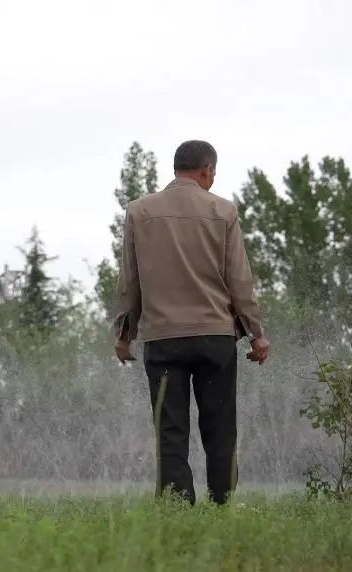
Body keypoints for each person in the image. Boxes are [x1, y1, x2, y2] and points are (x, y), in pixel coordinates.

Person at [112, 140, 269, 505]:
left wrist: (124, 334)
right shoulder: (223, 211)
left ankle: (178, 506)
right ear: (206, 171)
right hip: (215, 338)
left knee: (170, 430)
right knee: (220, 427)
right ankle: (223, 504)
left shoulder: (139, 211)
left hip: (164, 340)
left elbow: (129, 280)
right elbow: (239, 281)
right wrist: (256, 335)